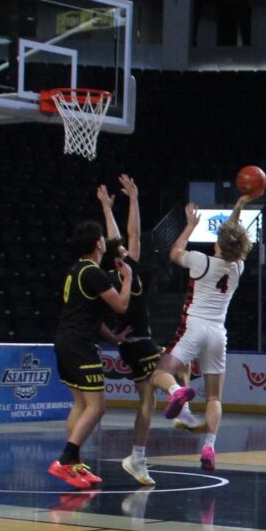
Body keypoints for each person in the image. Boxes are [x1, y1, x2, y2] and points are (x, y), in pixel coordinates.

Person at [150, 195, 253, 471]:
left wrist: (190, 226)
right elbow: (232, 236)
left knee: (160, 373)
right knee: (214, 398)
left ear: (218, 243)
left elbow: (174, 252)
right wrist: (239, 206)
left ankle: (176, 391)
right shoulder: (238, 267)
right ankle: (209, 446)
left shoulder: (201, 261)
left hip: (194, 327)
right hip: (218, 334)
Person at [48, 220, 132, 490]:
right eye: (102, 238)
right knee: (97, 407)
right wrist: (128, 278)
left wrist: (112, 337)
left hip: (65, 340)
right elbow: (121, 305)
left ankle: (73, 464)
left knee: (81, 405)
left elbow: (88, 315)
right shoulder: (93, 273)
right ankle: (65, 459)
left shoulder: (77, 269)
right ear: (98, 243)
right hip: (79, 346)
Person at [97, 175, 162, 488]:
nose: (127, 247)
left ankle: (138, 456)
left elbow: (127, 235)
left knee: (148, 402)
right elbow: (129, 236)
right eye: (122, 248)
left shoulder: (120, 269)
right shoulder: (117, 274)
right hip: (137, 342)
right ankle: (184, 407)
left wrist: (111, 207)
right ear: (116, 256)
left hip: (136, 341)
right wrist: (132, 199)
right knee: (171, 368)